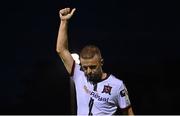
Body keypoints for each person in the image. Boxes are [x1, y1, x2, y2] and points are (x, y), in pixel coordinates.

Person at [56, 7, 134, 115]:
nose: (88, 71)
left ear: (101, 63)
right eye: (85, 67)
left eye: (92, 67)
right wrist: (64, 21)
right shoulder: (79, 75)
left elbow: (129, 113)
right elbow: (61, 50)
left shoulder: (117, 85)